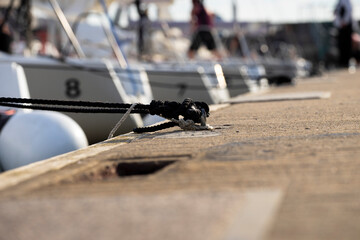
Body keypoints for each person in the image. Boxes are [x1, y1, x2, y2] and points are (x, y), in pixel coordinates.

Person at [334, 0, 354, 67]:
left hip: (346, 26)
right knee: (341, 45)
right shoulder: (339, 2)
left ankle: (346, 62)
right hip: (341, 27)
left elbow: (348, 11)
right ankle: (342, 62)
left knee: (347, 45)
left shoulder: (346, 1)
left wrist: (344, 22)